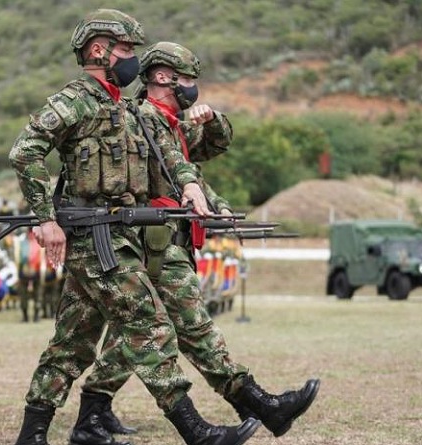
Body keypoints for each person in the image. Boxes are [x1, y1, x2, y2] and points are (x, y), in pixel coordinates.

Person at [9, 9, 261, 445]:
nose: (131, 60)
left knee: (72, 344)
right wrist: (44, 219)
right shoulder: (74, 100)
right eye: (126, 50)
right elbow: (25, 151)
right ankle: (194, 430)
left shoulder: (125, 108)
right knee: (151, 325)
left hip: (120, 236)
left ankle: (33, 435)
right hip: (93, 237)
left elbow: (170, 151)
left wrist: (191, 188)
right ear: (98, 49)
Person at [74, 42, 320, 443]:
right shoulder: (146, 117)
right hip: (156, 242)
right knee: (192, 328)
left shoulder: (169, 121)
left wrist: (217, 199)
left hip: (168, 240)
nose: (192, 88)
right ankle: (258, 404)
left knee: (139, 335)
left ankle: (93, 411)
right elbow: (177, 176)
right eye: (187, 80)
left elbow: (204, 158)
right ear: (163, 77)